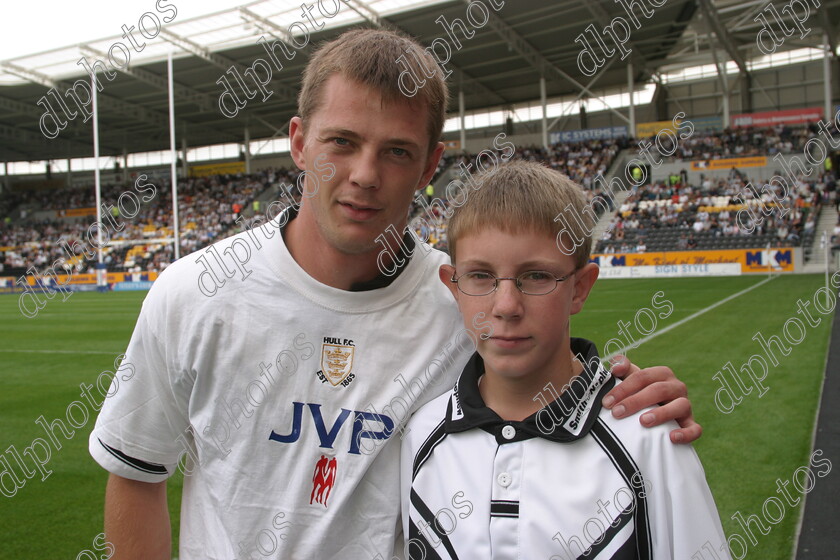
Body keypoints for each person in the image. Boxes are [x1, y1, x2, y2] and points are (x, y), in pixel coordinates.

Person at [89, 29, 700, 560]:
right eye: (342, 142)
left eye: (397, 151)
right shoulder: (195, 293)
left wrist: (635, 400)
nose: (365, 174)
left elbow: (554, 385)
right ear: (300, 143)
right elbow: (136, 472)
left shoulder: (459, 302)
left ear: (431, 164)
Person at [402, 161, 726, 558]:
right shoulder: (422, 434)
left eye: (537, 276)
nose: (506, 306)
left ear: (579, 288)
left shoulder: (650, 439)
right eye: (481, 276)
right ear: (454, 287)